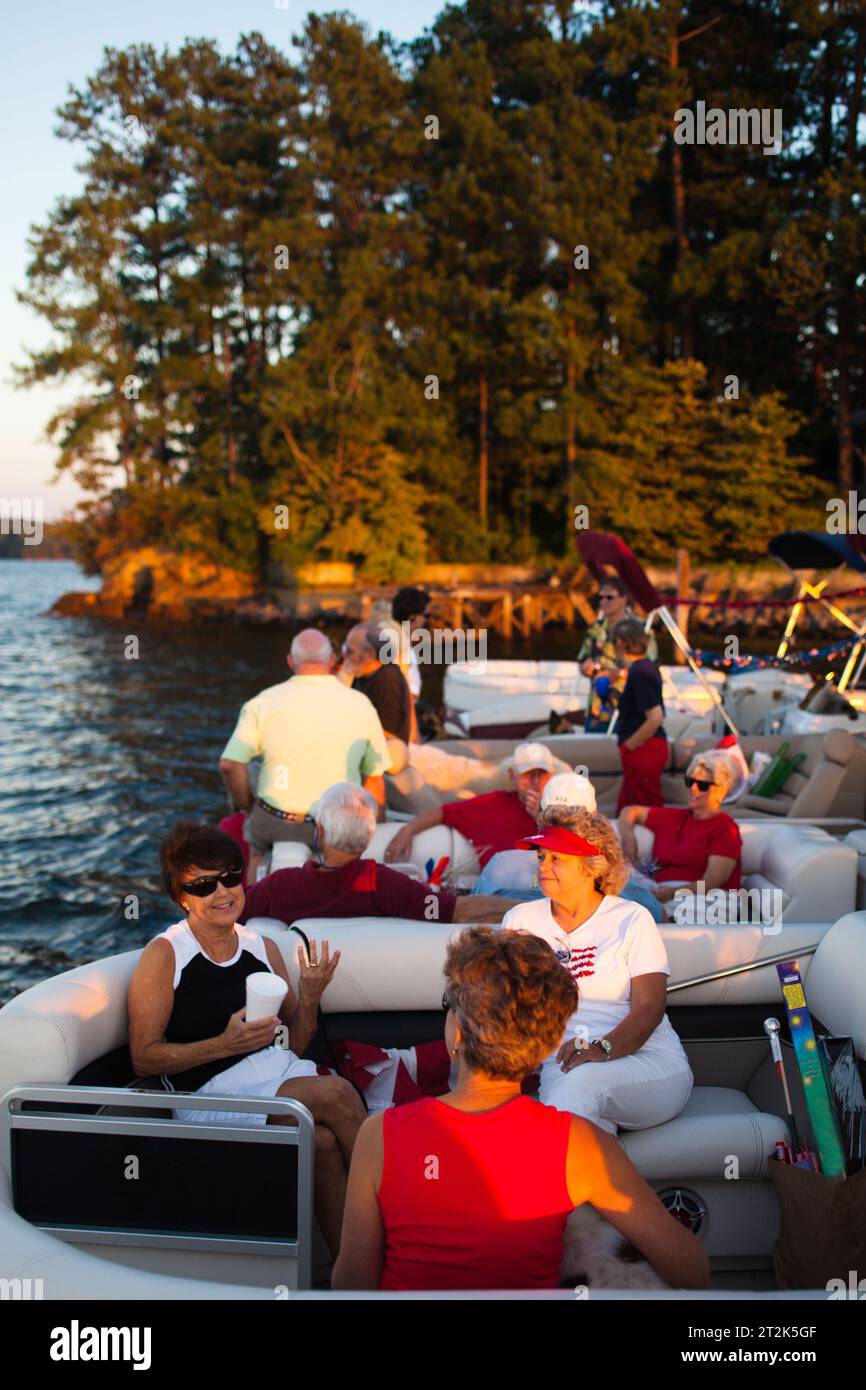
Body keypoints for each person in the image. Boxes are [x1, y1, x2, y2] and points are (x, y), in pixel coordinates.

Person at [332, 928, 709, 1291]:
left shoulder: (379, 1135)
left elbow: (352, 1285)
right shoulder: (578, 1144)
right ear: (544, 1047)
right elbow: (691, 1269)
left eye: (449, 1006)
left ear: (458, 1034)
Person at [127, 821, 367, 1256]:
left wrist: (310, 998)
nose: (222, 893)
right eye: (203, 885)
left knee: (324, 1145)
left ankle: (352, 1276)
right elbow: (144, 1058)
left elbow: (294, 1044)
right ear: (182, 898)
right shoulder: (165, 956)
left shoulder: (262, 948)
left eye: (230, 877)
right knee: (336, 1093)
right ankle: (410, 1216)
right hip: (214, 1099)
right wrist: (225, 1045)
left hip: (280, 1075)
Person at [503, 808, 694, 1135]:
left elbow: (650, 1007)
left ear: (592, 865)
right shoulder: (520, 920)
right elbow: (505, 1005)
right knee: (589, 1126)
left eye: (556, 859)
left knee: (580, 1085)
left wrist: (600, 1049)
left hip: (648, 1063)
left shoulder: (631, 918)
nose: (543, 866)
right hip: (563, 1066)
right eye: (541, 856)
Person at [218, 628, 391, 882]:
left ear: (291, 661)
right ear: (332, 661)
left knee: (255, 849)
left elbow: (229, 764)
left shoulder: (262, 702)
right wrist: (379, 829)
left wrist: (248, 807)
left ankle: (253, 904)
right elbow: (374, 779)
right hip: (338, 826)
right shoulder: (360, 704)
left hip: (278, 822)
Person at [239, 782, 518, 926]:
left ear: (320, 832)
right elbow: (453, 911)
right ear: (368, 838)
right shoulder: (386, 885)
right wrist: (526, 910)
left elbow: (236, 910)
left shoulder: (278, 886)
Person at [471, 772, 666, 923]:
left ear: (541, 815)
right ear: (594, 822)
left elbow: (469, 917)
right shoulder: (622, 880)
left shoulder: (500, 864)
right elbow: (660, 915)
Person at [384, 742, 556, 870]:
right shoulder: (493, 804)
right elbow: (442, 812)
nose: (535, 782)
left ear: (552, 777)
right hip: (501, 894)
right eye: (528, 774)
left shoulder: (565, 809)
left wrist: (540, 820)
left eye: (541, 774)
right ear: (512, 776)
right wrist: (407, 831)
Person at [619, 751, 743, 911]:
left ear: (722, 792)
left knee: (628, 902)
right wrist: (628, 837)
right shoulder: (674, 817)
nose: (693, 788)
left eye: (703, 785)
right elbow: (630, 811)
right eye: (690, 781)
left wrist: (674, 892)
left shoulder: (726, 828)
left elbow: (713, 881)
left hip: (703, 900)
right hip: (662, 892)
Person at [578, 576, 657, 732]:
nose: (603, 602)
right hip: (597, 711)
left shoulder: (642, 630)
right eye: (600, 598)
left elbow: (651, 669)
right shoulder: (594, 629)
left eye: (609, 597)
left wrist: (619, 673)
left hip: (629, 709)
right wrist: (585, 667)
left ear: (624, 599)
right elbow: (582, 661)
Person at [611, 618, 668, 813]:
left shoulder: (640, 671)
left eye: (614, 642)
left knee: (644, 811)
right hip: (645, 750)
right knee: (629, 809)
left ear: (620, 643)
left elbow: (656, 717)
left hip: (643, 750)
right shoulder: (645, 668)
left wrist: (629, 746)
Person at [339, 623, 412, 746]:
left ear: (370, 655)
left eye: (349, 651)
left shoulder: (388, 677)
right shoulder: (362, 675)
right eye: (344, 648)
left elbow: (390, 732)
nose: (344, 655)